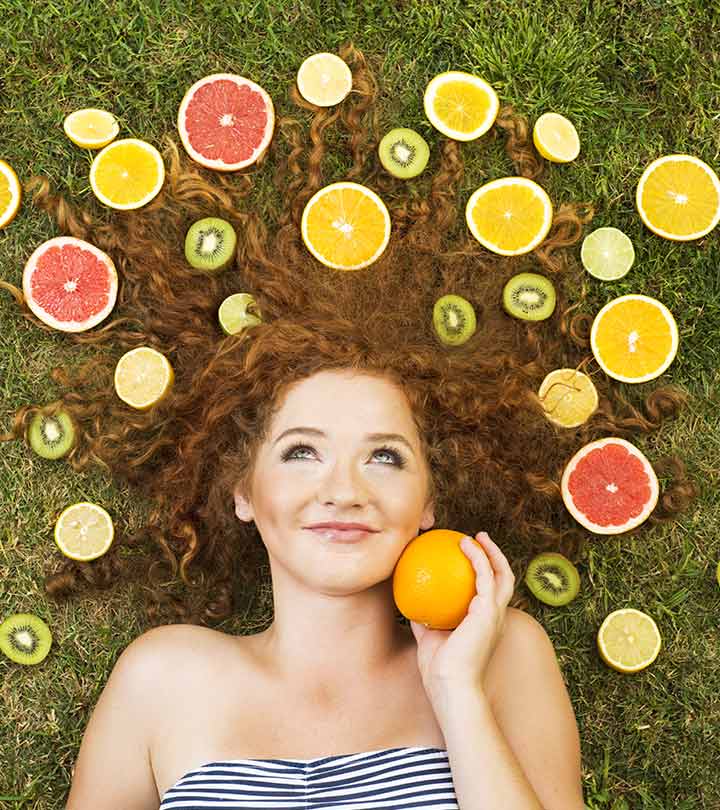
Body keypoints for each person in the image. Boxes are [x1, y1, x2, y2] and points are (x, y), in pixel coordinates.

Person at [4, 42, 694, 810]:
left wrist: (455, 690)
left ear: (430, 504)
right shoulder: (161, 678)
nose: (343, 489)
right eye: (302, 452)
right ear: (242, 490)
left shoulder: (504, 659)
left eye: (387, 459)